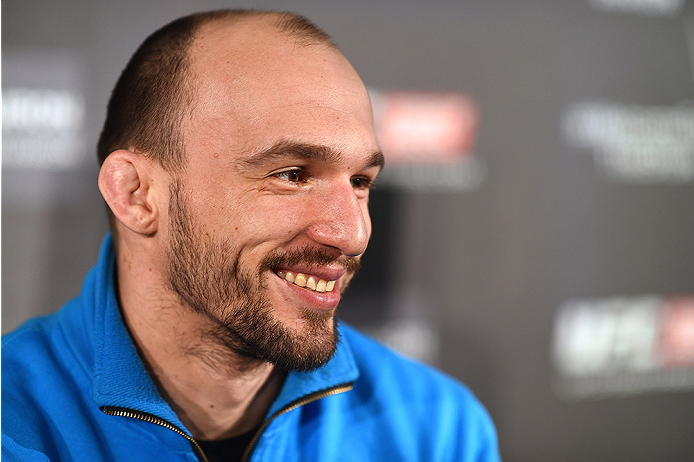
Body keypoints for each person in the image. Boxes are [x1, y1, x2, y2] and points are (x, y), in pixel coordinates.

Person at [1, 9, 501, 462]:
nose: (351, 233)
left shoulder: (437, 430)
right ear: (135, 194)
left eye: (360, 182)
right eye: (292, 174)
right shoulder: (13, 424)